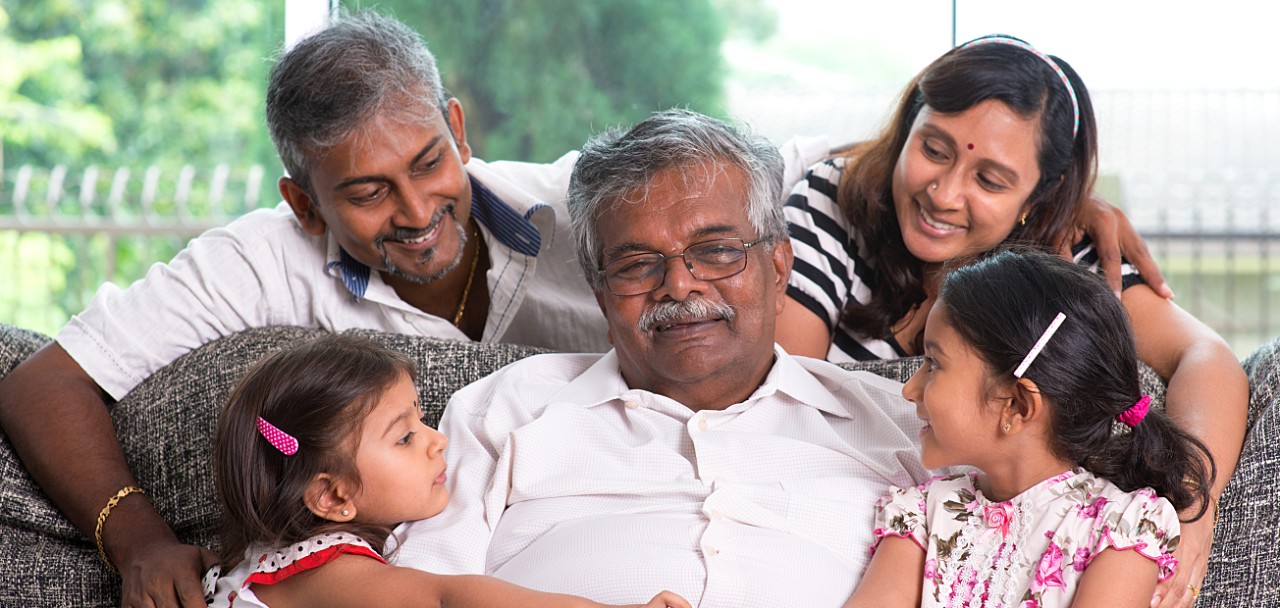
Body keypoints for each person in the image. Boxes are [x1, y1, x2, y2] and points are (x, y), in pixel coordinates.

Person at [0, 12, 833, 607]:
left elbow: (795, 166)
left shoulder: (587, 209)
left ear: (458, 131)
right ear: (306, 202)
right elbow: (39, 381)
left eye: (430, 162)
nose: (415, 209)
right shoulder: (255, 260)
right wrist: (136, 539)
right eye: (367, 193)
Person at [776, 35, 1247, 608]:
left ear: (1038, 198)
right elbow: (788, 401)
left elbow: (1206, 358)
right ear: (906, 128)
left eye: (991, 180)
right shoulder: (834, 202)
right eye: (934, 148)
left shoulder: (1065, 261)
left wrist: (1194, 511)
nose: (945, 194)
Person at [388, 109, 929, 606]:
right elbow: (415, 589)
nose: (679, 285)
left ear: (780, 266)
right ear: (601, 295)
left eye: (716, 251)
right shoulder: (501, 412)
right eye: (636, 264)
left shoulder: (905, 426)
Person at [203, 333, 689, 608]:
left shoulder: (269, 561)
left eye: (421, 420)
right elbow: (451, 599)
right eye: (405, 436)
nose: (438, 440)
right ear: (331, 497)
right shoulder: (331, 571)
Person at [845, 249, 1214, 608]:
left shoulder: (1121, 528)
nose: (910, 390)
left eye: (934, 364)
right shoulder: (920, 515)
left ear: (1018, 405)